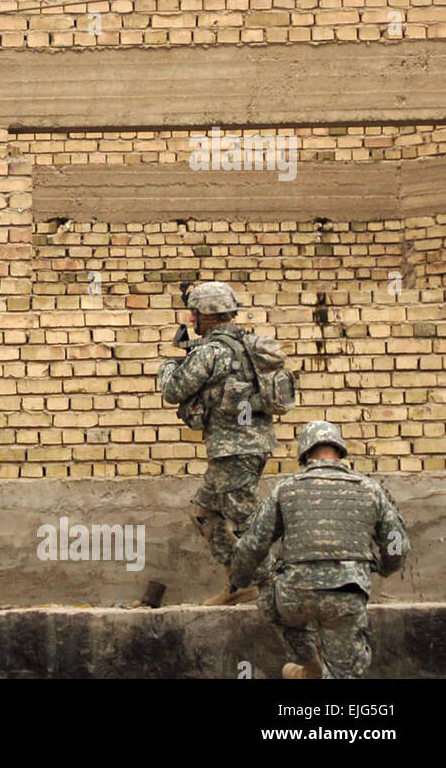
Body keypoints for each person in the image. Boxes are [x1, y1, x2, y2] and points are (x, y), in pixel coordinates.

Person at [231, 420, 408, 678]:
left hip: (295, 596)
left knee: (270, 596)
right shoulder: (370, 489)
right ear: (339, 451)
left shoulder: (286, 488)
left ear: (304, 454)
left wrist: (239, 579)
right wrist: (384, 568)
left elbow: (253, 545)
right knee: (344, 672)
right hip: (346, 596)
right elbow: (397, 545)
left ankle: (308, 662)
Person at [158, 281, 279, 604]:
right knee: (205, 513)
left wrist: (170, 364)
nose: (191, 320)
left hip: (233, 449)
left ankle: (275, 592)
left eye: (194, 313)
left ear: (206, 316)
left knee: (243, 523)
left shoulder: (211, 351)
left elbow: (173, 391)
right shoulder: (249, 344)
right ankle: (239, 584)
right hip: (249, 445)